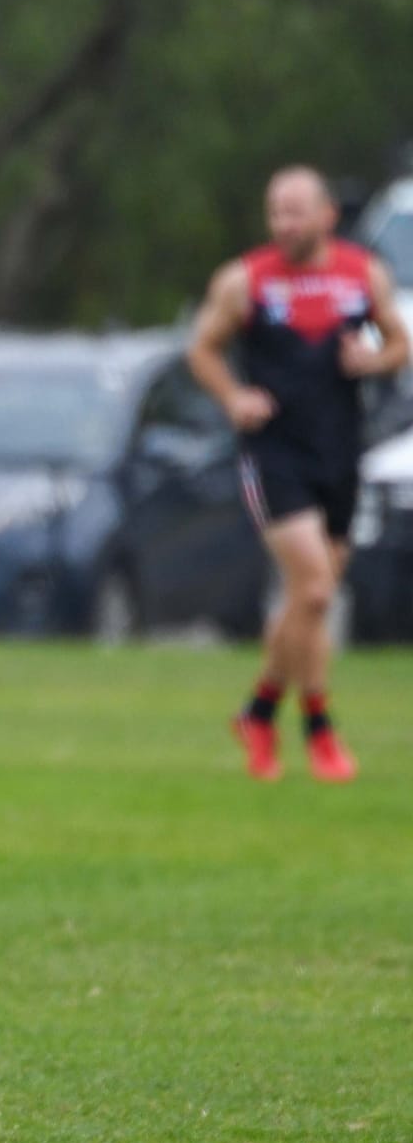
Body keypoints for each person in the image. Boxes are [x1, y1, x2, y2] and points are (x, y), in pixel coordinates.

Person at [189, 166, 408, 782]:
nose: (284, 224)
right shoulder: (244, 281)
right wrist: (234, 397)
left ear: (326, 217)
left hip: (339, 454)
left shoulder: (362, 274)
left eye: (295, 212)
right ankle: (318, 726)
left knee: (307, 605)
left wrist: (372, 360)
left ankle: (259, 711)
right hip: (273, 455)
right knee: (313, 590)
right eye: (275, 212)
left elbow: (400, 345)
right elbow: (200, 347)